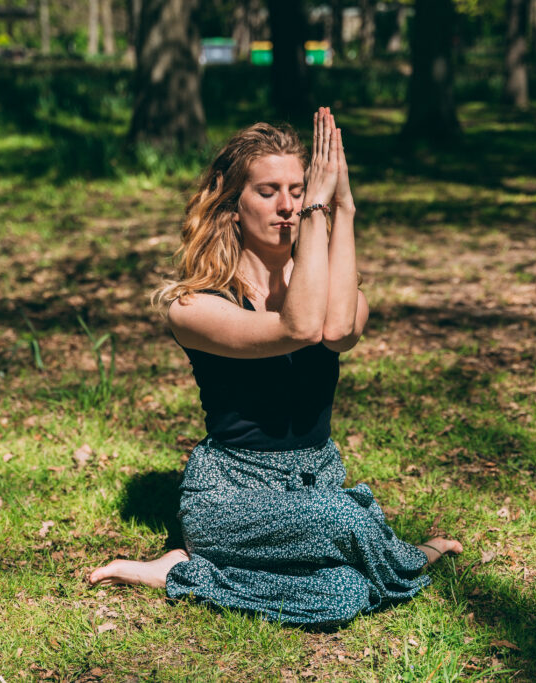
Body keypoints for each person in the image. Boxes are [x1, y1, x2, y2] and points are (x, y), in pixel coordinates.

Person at [89, 109, 462, 625]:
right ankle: (403, 557)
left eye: (298, 189)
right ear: (233, 203)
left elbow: (339, 333)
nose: (287, 206)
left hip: (314, 479)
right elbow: (298, 328)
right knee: (342, 521)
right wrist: (316, 207)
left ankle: (184, 571)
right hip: (229, 495)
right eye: (268, 191)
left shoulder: (325, 279)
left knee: (343, 594)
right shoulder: (194, 305)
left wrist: (345, 209)